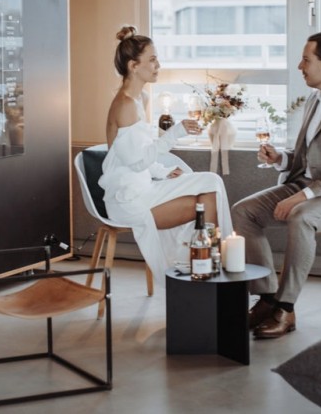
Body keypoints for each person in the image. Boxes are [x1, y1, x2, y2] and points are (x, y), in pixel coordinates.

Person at [232, 31, 321, 339]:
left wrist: (302, 196)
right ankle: (268, 297)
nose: (300, 66)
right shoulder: (315, 99)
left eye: (305, 60)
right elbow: (309, 157)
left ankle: (286, 308)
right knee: (244, 211)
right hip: (306, 184)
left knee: (301, 215)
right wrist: (280, 158)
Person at [99, 25, 233, 283]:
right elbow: (136, 162)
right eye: (152, 59)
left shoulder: (142, 99)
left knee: (210, 186)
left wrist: (162, 172)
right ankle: (214, 268)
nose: (158, 65)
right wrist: (175, 132)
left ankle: (210, 265)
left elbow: (139, 152)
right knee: (205, 197)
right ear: (133, 66)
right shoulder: (124, 105)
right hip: (128, 199)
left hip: (145, 186)